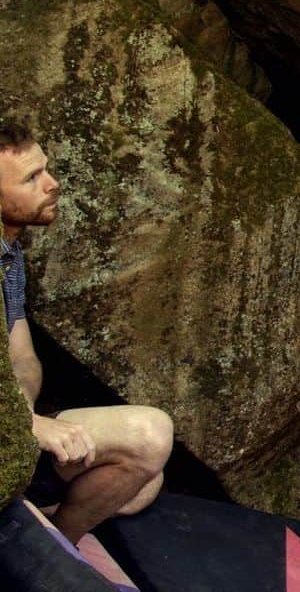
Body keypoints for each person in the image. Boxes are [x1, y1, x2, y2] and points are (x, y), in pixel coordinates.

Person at [0, 122, 174, 545]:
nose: (53, 184)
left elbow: (22, 358)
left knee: (144, 478)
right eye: (31, 179)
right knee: (151, 435)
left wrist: (24, 420)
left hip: (13, 424)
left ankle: (53, 539)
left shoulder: (9, 254)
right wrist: (26, 427)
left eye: (46, 169)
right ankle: (47, 553)